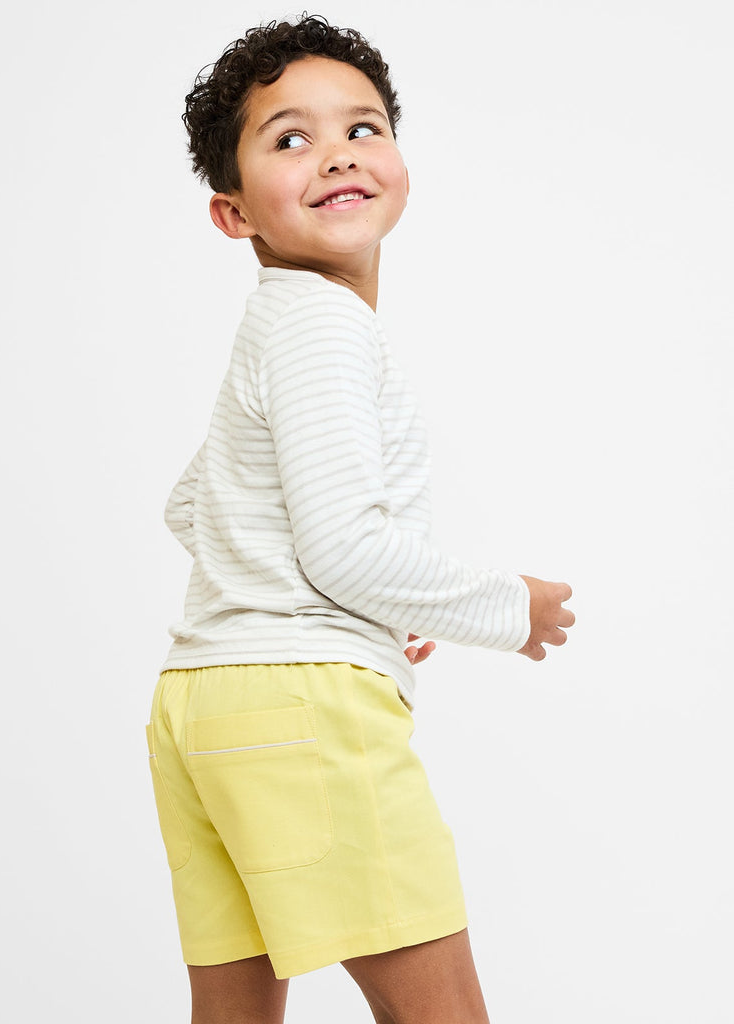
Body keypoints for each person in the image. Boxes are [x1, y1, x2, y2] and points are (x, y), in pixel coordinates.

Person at [146, 15, 574, 1024]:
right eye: (290, 138)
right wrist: (503, 607)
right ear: (232, 213)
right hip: (304, 706)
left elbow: (192, 502)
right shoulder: (323, 325)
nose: (336, 152)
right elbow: (343, 549)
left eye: (362, 127)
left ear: (397, 161)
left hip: (198, 705)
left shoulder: (274, 324)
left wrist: (373, 605)